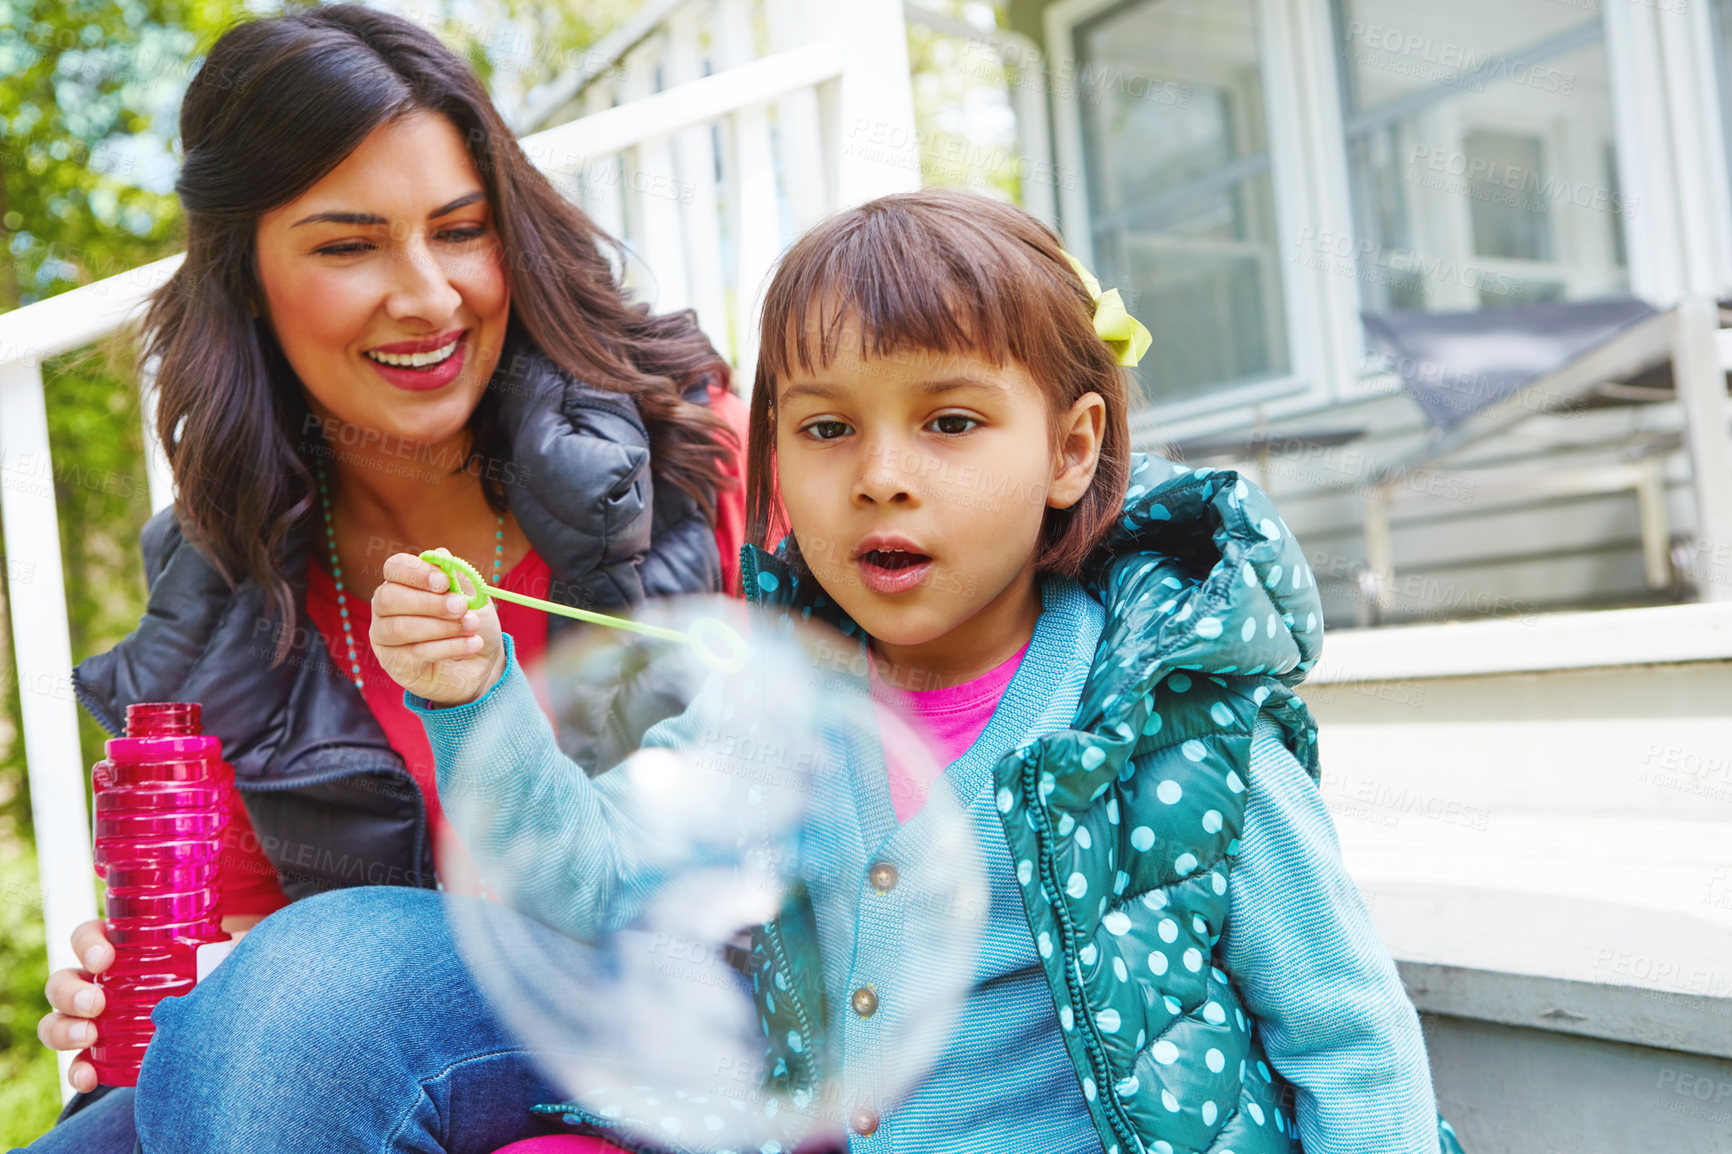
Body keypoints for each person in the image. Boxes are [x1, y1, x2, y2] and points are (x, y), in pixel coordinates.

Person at [120, 189, 1467, 1154]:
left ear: (1070, 451)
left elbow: (1345, 1029)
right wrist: (476, 696)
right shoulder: (778, 713)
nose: (880, 472)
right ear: (773, 467)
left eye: (949, 421)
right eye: (825, 427)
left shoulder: (1165, 726)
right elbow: (588, 873)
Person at [19, 5, 744, 1152]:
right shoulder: (225, 597)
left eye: (460, 230)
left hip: (708, 1007)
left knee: (308, 993)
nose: (429, 296)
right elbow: (248, 958)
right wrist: (167, 1000)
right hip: (395, 1046)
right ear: (245, 274)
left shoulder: (699, 458)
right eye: (349, 245)